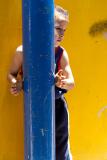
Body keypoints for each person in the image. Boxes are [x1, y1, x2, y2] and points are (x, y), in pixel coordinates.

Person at [7, 5, 75, 160]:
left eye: (64, 30)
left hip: (57, 107)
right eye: (58, 28)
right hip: (32, 106)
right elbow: (10, 74)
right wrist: (15, 82)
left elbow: (72, 82)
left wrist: (62, 83)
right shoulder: (22, 51)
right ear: (45, 25)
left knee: (61, 147)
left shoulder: (61, 54)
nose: (62, 34)